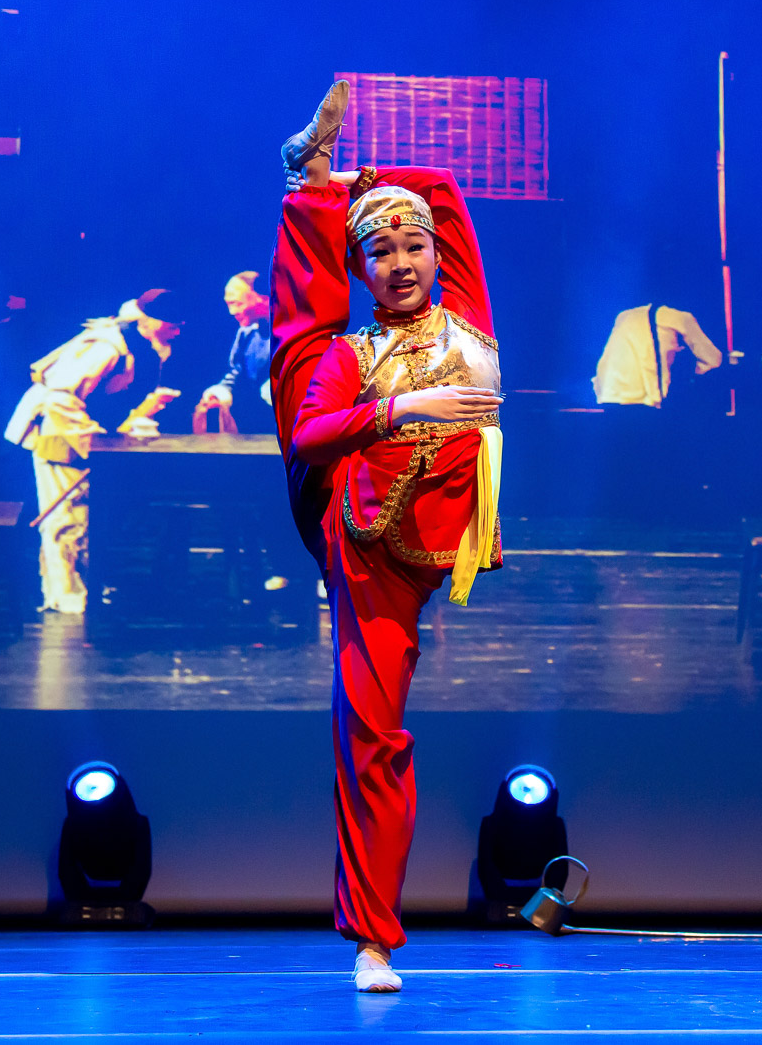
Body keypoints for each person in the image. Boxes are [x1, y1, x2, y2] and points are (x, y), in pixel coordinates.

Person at [271, 81, 503, 993]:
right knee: (373, 734)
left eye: (412, 244)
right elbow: (308, 429)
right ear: (359, 269)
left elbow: (441, 188)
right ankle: (372, 935)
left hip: (440, 536)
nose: (401, 261)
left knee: (380, 732)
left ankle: (308, 176)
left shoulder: (470, 316)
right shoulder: (349, 352)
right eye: (377, 249)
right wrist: (406, 404)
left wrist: (347, 171)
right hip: (365, 543)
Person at [3, 290, 186, 614]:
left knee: (83, 513)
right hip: (59, 432)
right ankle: (65, 594)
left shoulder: (130, 345)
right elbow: (60, 396)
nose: (179, 330)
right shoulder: (105, 347)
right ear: (156, 321)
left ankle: (77, 587)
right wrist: (95, 442)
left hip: (76, 431)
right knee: (66, 514)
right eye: (175, 324)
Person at [592, 304, 722, 406]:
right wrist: (689, 371)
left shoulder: (624, 316)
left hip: (610, 399)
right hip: (646, 404)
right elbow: (713, 360)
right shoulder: (679, 317)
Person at [196, 270, 272, 428]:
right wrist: (221, 391)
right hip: (256, 423)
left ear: (263, 298)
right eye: (229, 303)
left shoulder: (296, 329)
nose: (232, 312)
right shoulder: (245, 333)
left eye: (237, 304)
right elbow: (236, 372)